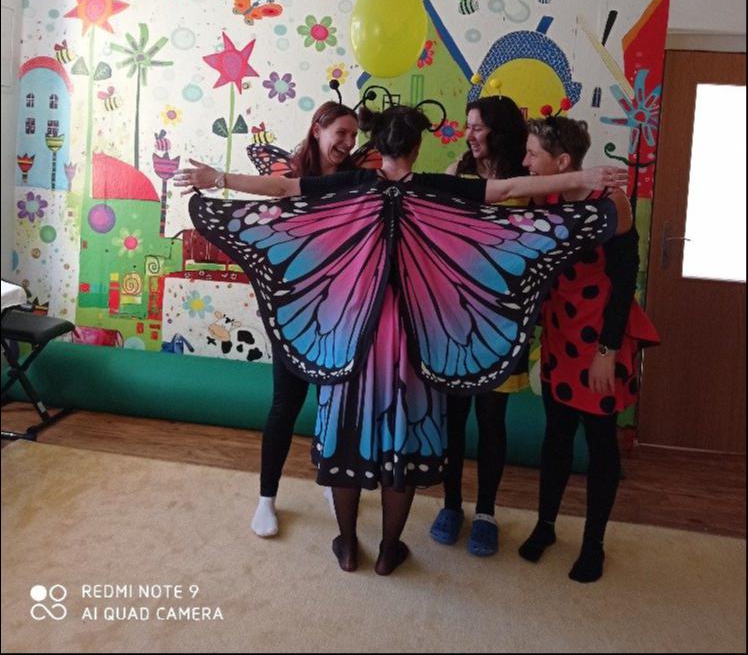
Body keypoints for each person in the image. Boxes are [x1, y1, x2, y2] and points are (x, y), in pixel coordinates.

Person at [175, 105, 627, 575]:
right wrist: (585, 176)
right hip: (413, 334)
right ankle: (390, 549)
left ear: (377, 145)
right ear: (416, 146)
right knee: (403, 436)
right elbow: (508, 190)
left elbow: (283, 189)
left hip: (352, 332)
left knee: (347, 433)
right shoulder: (435, 188)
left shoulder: (351, 185)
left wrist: (218, 178)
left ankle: (347, 545)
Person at [517, 116, 660, 582]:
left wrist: (607, 350)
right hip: (560, 335)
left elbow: (624, 281)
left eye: (533, 153)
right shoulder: (545, 195)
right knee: (556, 436)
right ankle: (545, 526)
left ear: (562, 162)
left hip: (599, 338)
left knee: (600, 442)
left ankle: (593, 543)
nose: (526, 161)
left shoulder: (611, 202)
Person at [249, 101, 360, 538]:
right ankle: (266, 498)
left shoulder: (355, 180)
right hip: (294, 312)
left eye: (354, 136)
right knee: (285, 405)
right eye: (341, 133)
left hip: (342, 312)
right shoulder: (290, 178)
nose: (348, 142)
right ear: (318, 129)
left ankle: (331, 482)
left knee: (334, 406)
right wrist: (216, 180)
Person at [431, 96, 529, 557]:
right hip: (456, 318)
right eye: (467, 126)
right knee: (453, 419)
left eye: (478, 127)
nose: (468, 134)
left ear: (500, 130)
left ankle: (486, 512)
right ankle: (451, 505)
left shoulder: (527, 179)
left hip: (504, 319)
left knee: (492, 419)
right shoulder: (458, 172)